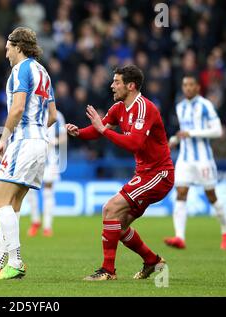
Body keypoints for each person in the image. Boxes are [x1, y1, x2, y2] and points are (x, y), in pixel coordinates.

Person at [66, 65, 173, 281]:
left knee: (110, 208)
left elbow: (134, 143)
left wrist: (103, 130)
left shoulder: (146, 108)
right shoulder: (118, 108)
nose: (112, 85)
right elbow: (98, 129)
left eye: (116, 82)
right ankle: (153, 260)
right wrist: (79, 132)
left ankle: (108, 271)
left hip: (159, 175)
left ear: (130, 86)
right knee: (119, 224)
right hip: (143, 174)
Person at [0, 27, 57, 280]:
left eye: (8, 46)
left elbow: (17, 109)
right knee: (13, 203)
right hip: (40, 141)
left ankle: (15, 261)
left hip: (24, 141)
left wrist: (4, 139)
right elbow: (51, 116)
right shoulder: (44, 73)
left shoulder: (21, 70)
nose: (5, 51)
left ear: (18, 46)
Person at [164, 75, 226, 250]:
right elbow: (183, 131)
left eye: (190, 85)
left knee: (211, 195)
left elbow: (217, 131)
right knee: (181, 192)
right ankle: (180, 237)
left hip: (203, 159)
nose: (187, 88)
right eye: (184, 85)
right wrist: (174, 139)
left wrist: (192, 134)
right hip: (185, 159)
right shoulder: (180, 107)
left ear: (197, 87)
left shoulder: (205, 106)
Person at [27, 110, 66, 237]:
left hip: (50, 159)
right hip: (33, 155)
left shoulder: (57, 115)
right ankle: (35, 221)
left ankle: (47, 226)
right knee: (30, 189)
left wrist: (54, 141)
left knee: (48, 190)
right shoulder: (31, 111)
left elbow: (64, 137)